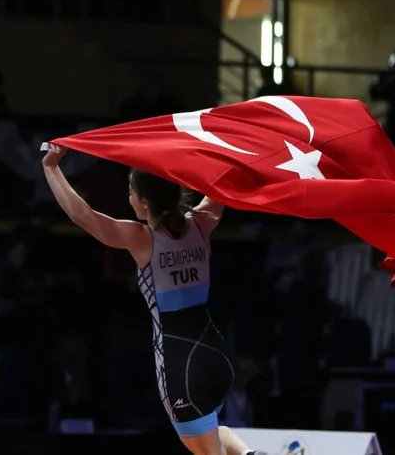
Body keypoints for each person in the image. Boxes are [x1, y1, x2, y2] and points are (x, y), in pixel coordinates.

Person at [42, 144, 268, 455]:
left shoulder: (143, 238)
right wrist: (233, 149)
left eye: (131, 193)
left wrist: (51, 168)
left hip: (180, 364)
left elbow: (83, 216)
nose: (129, 198)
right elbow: (223, 184)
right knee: (211, 435)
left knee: (205, 447)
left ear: (145, 201)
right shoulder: (200, 222)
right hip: (217, 357)